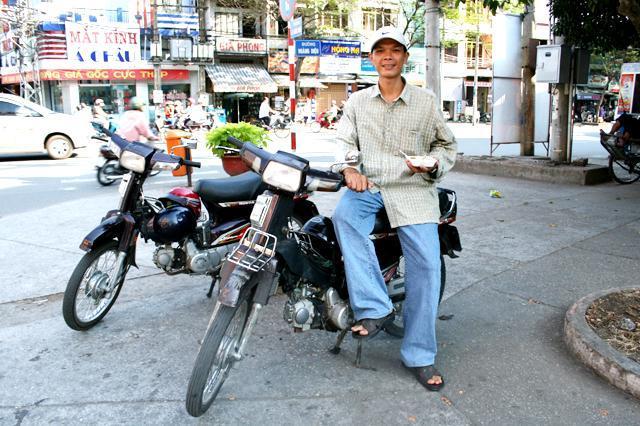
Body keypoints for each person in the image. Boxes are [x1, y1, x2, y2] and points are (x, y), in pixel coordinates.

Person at [331, 26, 457, 392]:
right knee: (344, 217)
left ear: (405, 57)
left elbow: (447, 146)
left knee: (427, 267)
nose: (387, 56)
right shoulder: (357, 103)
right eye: (380, 50)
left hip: (413, 190)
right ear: (371, 59)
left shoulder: (425, 101)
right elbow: (344, 142)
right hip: (370, 186)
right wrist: (349, 169)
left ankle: (419, 353)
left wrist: (432, 163)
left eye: (395, 50)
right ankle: (375, 306)